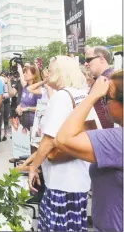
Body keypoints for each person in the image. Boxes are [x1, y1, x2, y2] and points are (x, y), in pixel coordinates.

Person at [27, 56, 96, 232]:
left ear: (59, 73)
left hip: (61, 180)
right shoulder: (81, 94)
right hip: (79, 177)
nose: (47, 73)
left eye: (50, 70)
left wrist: (34, 167)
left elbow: (49, 140)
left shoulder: (61, 98)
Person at [55, 71, 123, 232]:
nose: (104, 105)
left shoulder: (119, 140)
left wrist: (91, 97)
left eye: (106, 98)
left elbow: (63, 139)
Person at [84, 46, 115, 129]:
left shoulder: (110, 79)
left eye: (88, 60)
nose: (85, 64)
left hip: (107, 136)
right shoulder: (104, 78)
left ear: (101, 59)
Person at [15, 64, 42, 132]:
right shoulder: (25, 87)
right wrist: (19, 106)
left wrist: (27, 109)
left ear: (34, 75)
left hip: (33, 123)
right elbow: (23, 101)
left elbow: (41, 108)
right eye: (23, 72)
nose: (24, 74)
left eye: (26, 73)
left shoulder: (38, 90)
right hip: (23, 120)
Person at [0, 66, 13, 154]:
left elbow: (9, 93)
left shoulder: (2, 80)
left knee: (3, 120)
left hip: (3, 102)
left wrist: (1, 96)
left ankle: (0, 139)